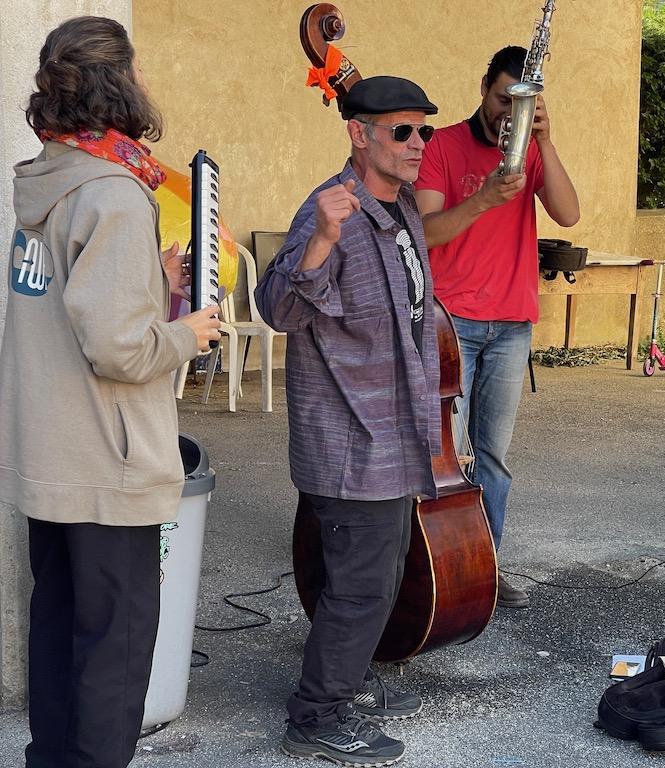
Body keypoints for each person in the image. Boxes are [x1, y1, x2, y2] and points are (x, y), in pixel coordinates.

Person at [0, 16, 221, 768]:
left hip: (52, 456)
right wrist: (189, 334)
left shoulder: (51, 180)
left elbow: (70, 308)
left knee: (60, 632)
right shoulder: (117, 196)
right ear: (120, 83)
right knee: (115, 652)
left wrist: (151, 278)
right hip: (108, 465)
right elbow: (120, 349)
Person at [256, 76, 442, 766]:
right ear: (358, 134)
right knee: (361, 584)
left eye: (424, 130)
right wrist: (323, 239)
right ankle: (316, 714)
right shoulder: (329, 211)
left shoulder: (401, 211)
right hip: (347, 435)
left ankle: (349, 675)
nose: (418, 142)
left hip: (392, 431)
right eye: (402, 130)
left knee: (379, 574)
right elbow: (278, 309)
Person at [414, 46, 580, 609]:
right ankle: (433, 563)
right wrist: (484, 199)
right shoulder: (441, 146)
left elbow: (569, 214)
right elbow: (426, 231)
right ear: (483, 88)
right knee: (444, 454)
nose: (506, 111)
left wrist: (546, 142)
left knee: (494, 458)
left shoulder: (530, 147)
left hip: (511, 323)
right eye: (500, 97)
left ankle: (485, 565)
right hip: (451, 320)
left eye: (521, 103)